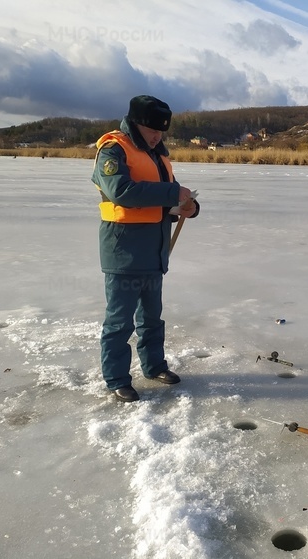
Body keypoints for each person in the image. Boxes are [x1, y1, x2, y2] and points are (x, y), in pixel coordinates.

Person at [92, 95, 200, 403]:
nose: (157, 135)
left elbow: (170, 199)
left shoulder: (158, 155)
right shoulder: (113, 150)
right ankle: (116, 378)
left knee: (153, 318)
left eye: (162, 130)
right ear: (136, 123)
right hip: (123, 254)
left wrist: (187, 207)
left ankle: (154, 366)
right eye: (152, 129)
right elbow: (121, 192)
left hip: (154, 254)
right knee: (119, 322)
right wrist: (171, 192)